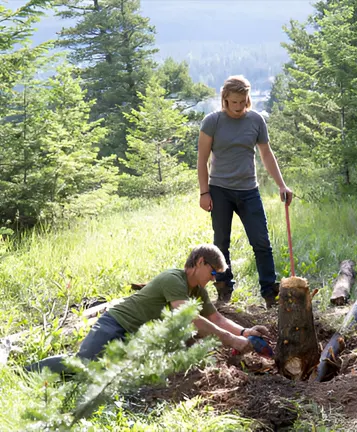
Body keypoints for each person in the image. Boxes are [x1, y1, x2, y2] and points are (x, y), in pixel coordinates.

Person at [26, 244, 270, 374]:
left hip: (135, 338)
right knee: (83, 365)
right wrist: (229, 339)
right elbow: (189, 317)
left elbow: (216, 317)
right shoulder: (174, 279)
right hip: (115, 325)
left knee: (104, 376)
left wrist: (244, 333)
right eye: (214, 272)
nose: (215, 279)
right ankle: (23, 373)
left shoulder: (198, 291)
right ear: (199, 263)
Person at [197, 75, 293, 308]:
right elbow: (202, 160)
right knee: (221, 242)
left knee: (261, 242)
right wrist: (204, 192)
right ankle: (224, 289)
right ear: (225, 99)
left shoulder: (256, 121)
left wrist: (282, 184)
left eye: (243, 101)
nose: (239, 106)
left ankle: (270, 292)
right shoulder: (213, 122)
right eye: (234, 102)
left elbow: (266, 155)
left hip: (249, 190)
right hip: (220, 190)